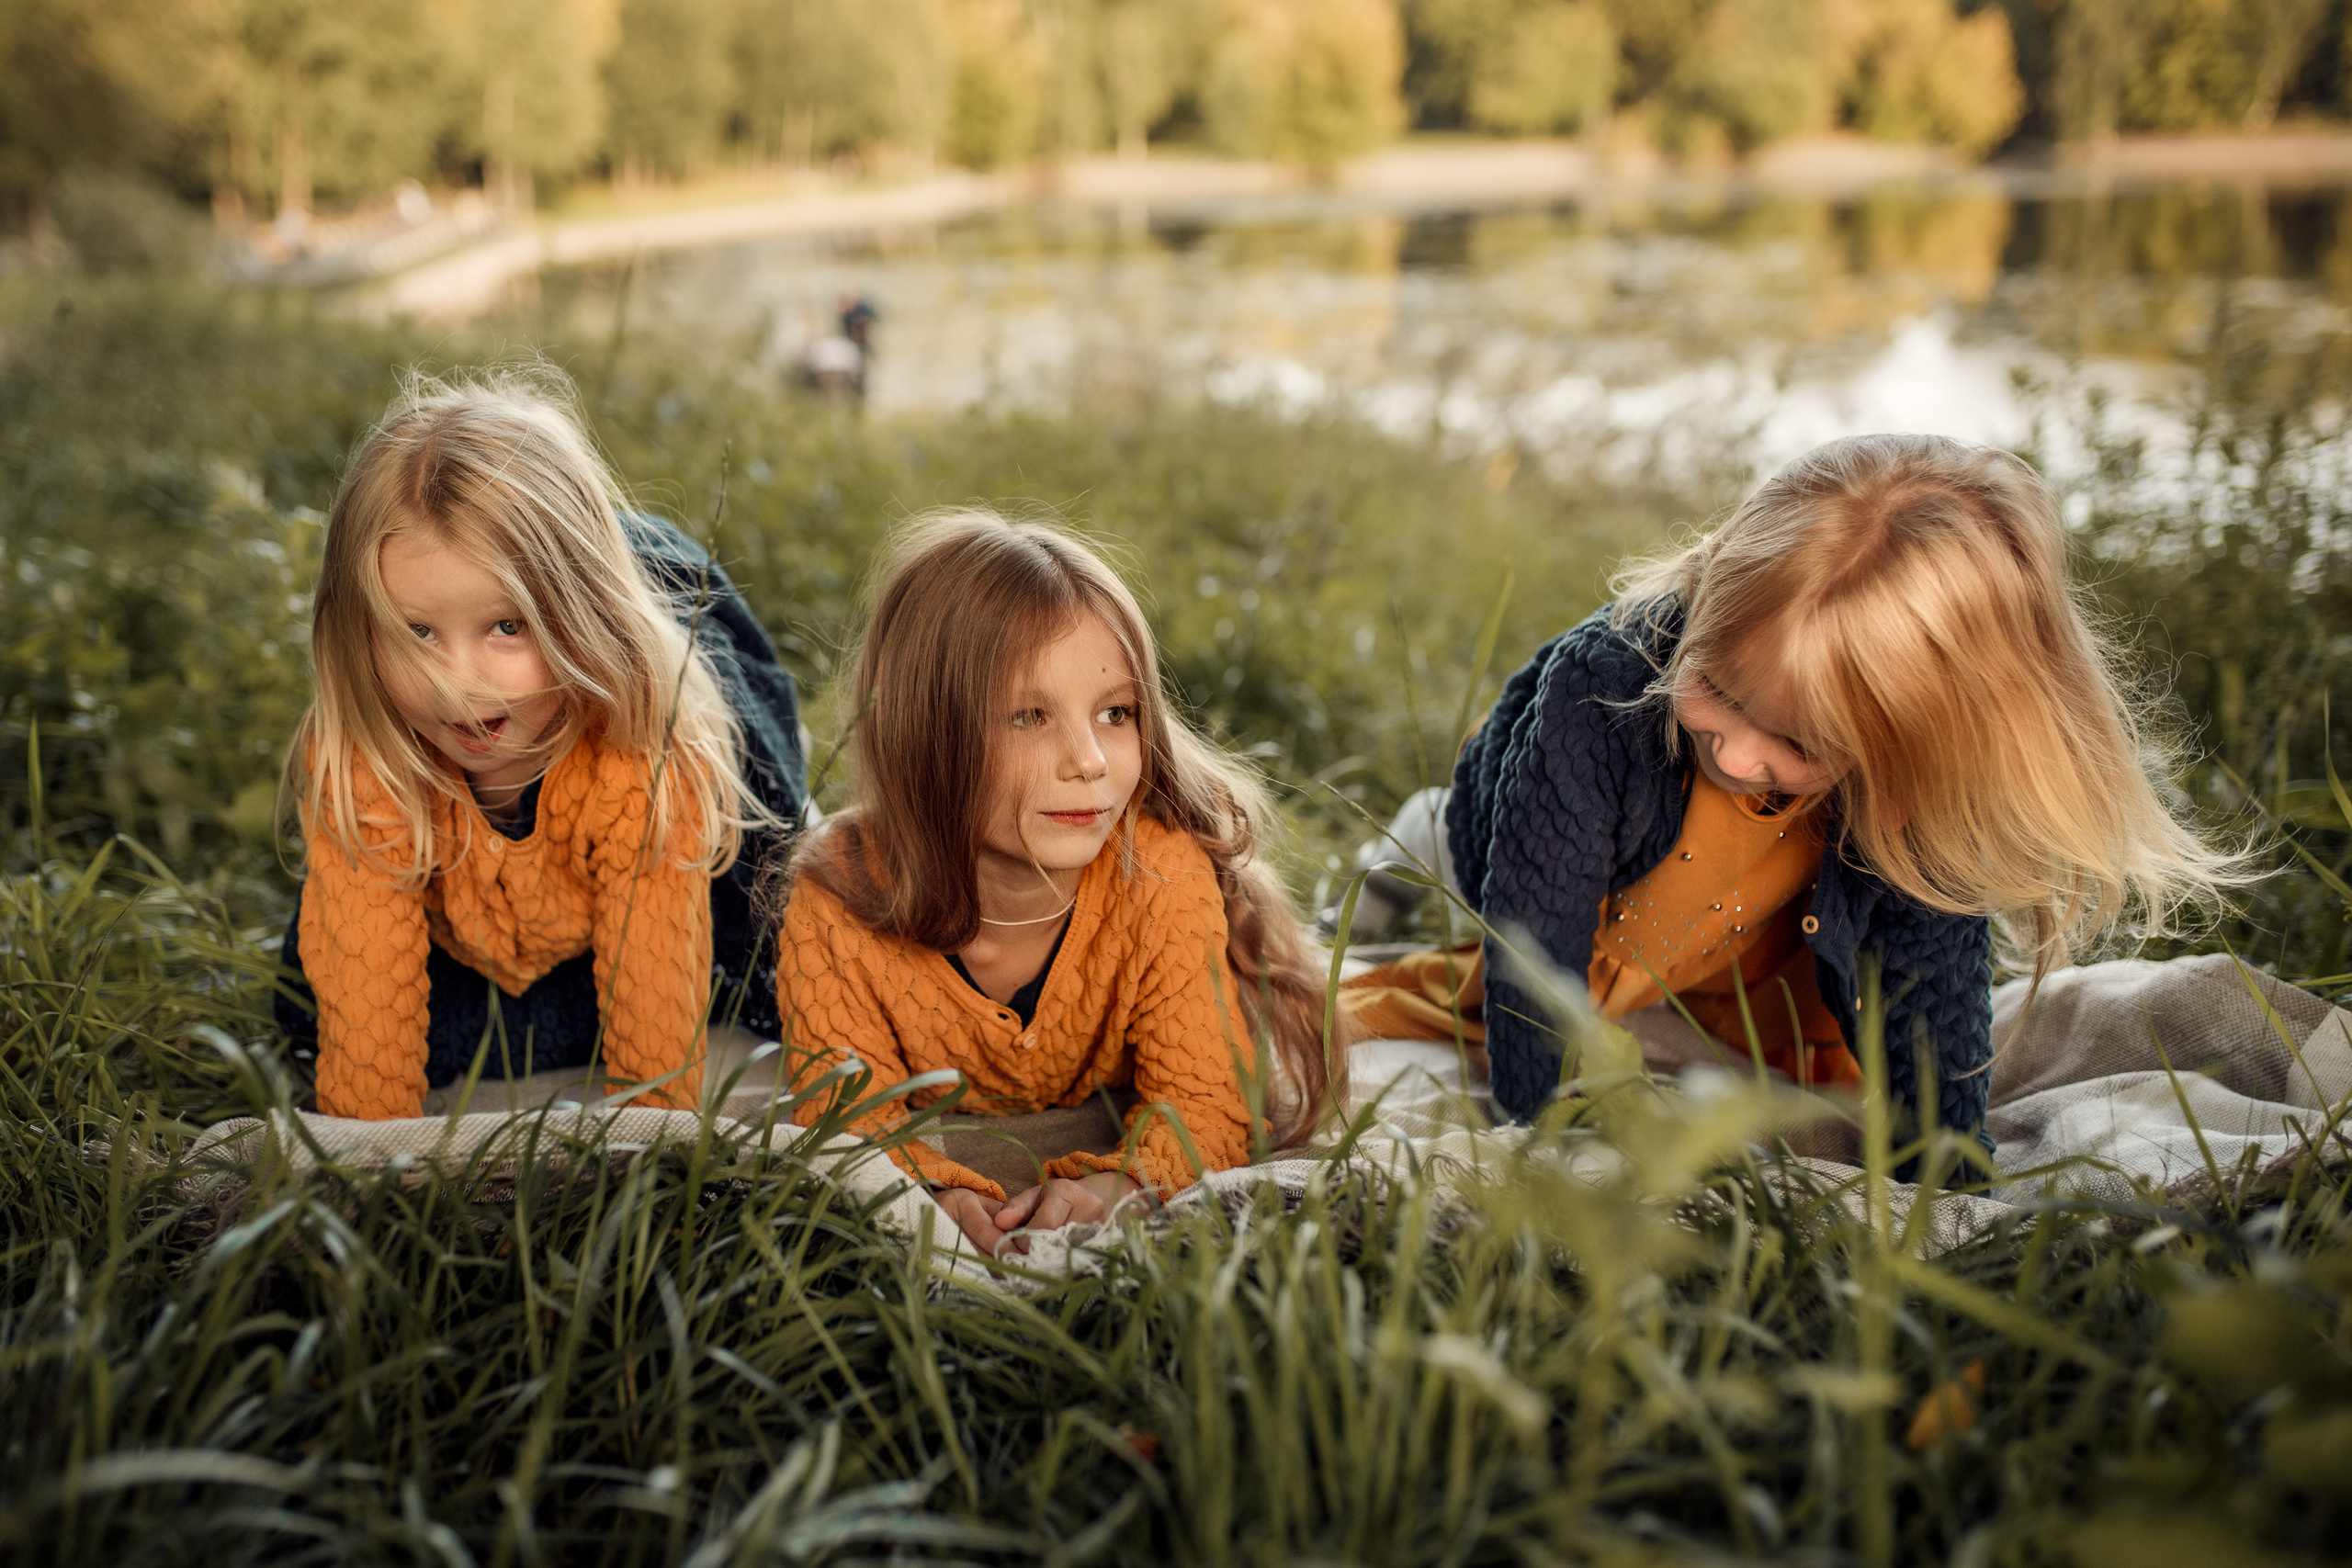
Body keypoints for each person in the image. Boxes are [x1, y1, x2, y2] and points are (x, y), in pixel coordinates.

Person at [1348, 433, 2238, 1162]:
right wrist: (1535, 1129)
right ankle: (1419, 833)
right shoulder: (1597, 695)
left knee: (1823, 1053)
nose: (1736, 752)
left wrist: (1949, 1170)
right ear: (1704, 599)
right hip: (1553, 856)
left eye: (1798, 745)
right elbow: (1533, 948)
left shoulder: (1907, 797)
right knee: (1475, 905)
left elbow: (1930, 987)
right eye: (1715, 687)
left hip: (1751, 924)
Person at [777, 512, 1334, 1256]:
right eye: (1029, 715)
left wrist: (1123, 1184)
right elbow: (848, 1120)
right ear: (925, 734)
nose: (1090, 759)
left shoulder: (1159, 872)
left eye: (1115, 713)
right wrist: (931, 1191)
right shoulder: (838, 897)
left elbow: (1205, 1105)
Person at [275, 372, 807, 1120]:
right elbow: (368, 1043)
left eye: (507, 626)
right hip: (484, 916)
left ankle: (632, 596)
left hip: (675, 774)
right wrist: (372, 1155)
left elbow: (657, 1077)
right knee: (319, 1003)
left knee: (768, 957)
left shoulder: (641, 748)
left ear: (584, 617)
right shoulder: (371, 746)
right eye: (416, 632)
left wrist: (650, 1145)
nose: (457, 684)